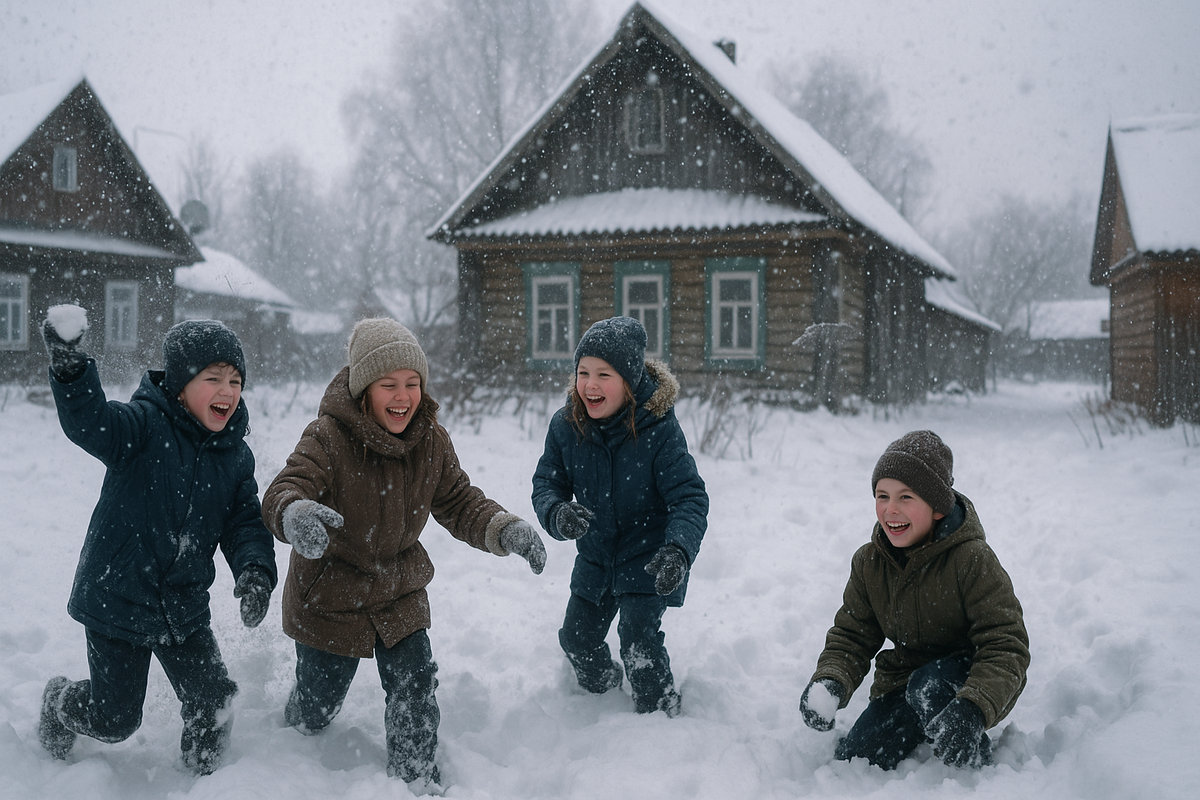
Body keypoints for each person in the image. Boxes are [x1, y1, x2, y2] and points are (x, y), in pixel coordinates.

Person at [261, 317, 546, 790]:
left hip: (398, 588)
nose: (403, 396)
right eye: (388, 384)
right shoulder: (327, 437)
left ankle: (416, 777)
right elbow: (286, 487)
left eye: (412, 383)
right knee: (319, 703)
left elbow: (459, 501)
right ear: (363, 390)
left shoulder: (430, 441)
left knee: (415, 682)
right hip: (331, 591)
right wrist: (294, 514)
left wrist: (504, 529)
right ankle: (297, 728)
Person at [37, 312, 278, 776]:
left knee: (214, 702)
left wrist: (255, 572)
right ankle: (59, 701)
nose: (228, 391)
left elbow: (245, 522)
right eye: (213, 378)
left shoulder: (234, 455)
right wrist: (70, 368)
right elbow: (91, 423)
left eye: (235, 380)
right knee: (115, 720)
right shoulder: (142, 427)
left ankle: (203, 776)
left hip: (182, 606)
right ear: (180, 384)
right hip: (117, 599)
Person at [798, 430, 1029, 770]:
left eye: (906, 497)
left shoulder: (971, 559)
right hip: (904, 681)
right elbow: (853, 635)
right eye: (882, 495)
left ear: (937, 508)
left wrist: (975, 706)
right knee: (859, 759)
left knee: (929, 685)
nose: (891, 509)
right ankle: (917, 725)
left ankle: (971, 762)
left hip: (966, 676)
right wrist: (830, 681)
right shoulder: (870, 563)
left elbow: (1006, 644)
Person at [532, 316, 708, 717]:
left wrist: (678, 550)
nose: (590, 385)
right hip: (596, 557)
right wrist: (557, 513)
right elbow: (546, 484)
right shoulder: (566, 426)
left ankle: (659, 712)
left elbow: (690, 497)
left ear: (628, 380)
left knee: (638, 641)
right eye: (583, 373)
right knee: (576, 638)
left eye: (603, 375)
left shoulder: (657, 430)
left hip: (649, 556)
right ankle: (603, 695)